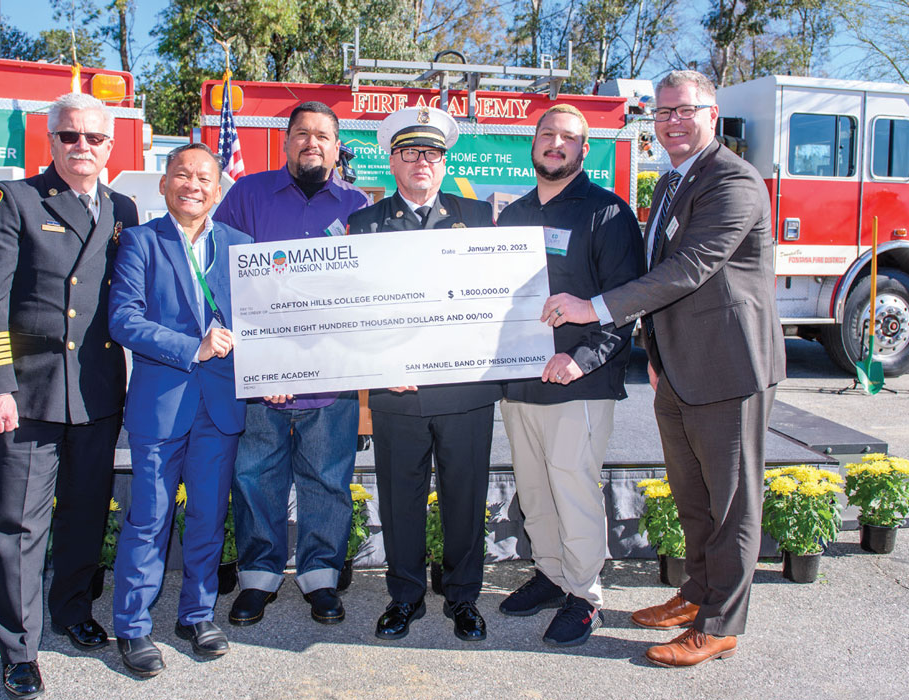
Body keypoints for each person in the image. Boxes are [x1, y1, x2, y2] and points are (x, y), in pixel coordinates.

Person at [544, 70, 785, 667]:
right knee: (694, 497)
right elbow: (666, 276)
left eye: (685, 110)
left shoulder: (733, 181)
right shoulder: (676, 180)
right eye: (664, 111)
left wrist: (592, 307)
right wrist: (653, 351)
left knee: (731, 502)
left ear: (713, 113)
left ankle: (721, 624)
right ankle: (698, 594)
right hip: (679, 367)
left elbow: (688, 269)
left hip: (730, 368)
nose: (673, 120)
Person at [0, 92, 139, 699]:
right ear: (51, 140)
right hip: (28, 392)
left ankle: (72, 612)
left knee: (86, 512)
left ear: (111, 145)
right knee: (18, 526)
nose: (81, 147)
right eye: (69, 137)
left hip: (96, 392)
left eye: (94, 138)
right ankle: (18, 650)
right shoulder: (11, 200)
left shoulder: (125, 209)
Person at [212, 101, 370, 626]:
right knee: (256, 477)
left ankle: (321, 577)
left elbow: (365, 294)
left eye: (323, 135)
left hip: (332, 380)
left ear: (336, 145)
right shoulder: (246, 195)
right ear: (285, 143)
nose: (312, 143)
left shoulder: (357, 204)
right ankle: (258, 578)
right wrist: (267, 363)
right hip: (263, 380)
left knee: (328, 480)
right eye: (302, 134)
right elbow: (222, 282)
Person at [347, 106, 501, 643]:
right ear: (391, 160)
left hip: (465, 394)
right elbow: (355, 309)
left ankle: (463, 600)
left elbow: (495, 298)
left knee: (465, 499)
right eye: (410, 152)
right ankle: (405, 597)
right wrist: (377, 361)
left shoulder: (478, 216)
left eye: (432, 153)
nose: (422, 162)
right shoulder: (365, 224)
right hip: (397, 393)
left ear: (444, 162)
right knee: (400, 500)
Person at [495, 104, 644, 646]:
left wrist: (579, 358)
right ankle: (553, 575)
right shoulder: (512, 216)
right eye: (547, 134)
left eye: (568, 137)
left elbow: (625, 303)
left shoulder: (607, 214)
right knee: (533, 491)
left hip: (577, 383)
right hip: (520, 384)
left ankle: (585, 595)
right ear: (532, 144)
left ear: (584, 150)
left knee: (573, 487)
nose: (555, 143)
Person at [107, 143, 249, 677]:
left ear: (218, 189)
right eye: (182, 175)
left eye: (204, 178)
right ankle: (134, 626)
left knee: (209, 518)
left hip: (220, 406)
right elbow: (123, 319)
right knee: (148, 518)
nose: (193, 184)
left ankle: (196, 614)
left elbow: (259, 321)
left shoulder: (240, 246)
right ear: (164, 184)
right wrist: (193, 346)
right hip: (161, 405)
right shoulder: (142, 242)